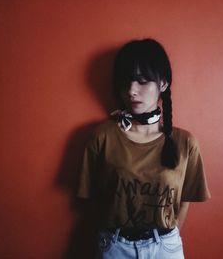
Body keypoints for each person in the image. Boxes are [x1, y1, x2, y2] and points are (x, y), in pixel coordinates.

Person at [77, 38, 211, 259]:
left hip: (166, 247)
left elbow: (183, 202)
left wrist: (165, 240)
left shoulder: (185, 142)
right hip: (115, 246)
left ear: (163, 84)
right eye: (126, 81)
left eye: (142, 81)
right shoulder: (103, 136)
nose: (131, 90)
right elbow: (94, 200)